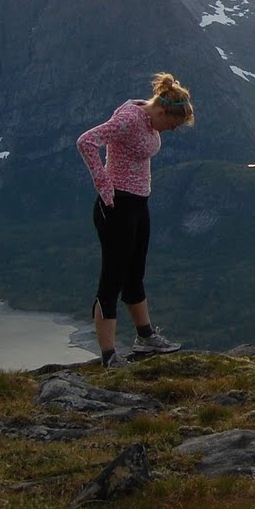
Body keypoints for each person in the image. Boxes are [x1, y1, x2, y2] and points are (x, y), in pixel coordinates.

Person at [76, 72, 193, 368]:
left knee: (135, 272)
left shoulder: (147, 114)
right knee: (112, 278)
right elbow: (87, 141)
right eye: (171, 125)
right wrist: (104, 186)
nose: (169, 131)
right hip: (117, 204)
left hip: (138, 203)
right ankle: (109, 356)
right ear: (163, 111)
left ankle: (145, 337)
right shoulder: (129, 119)